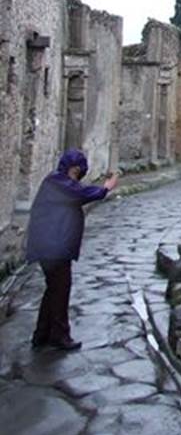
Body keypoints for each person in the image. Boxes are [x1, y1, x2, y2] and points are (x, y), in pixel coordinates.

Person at [26, 148, 118, 351]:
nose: (77, 176)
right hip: (52, 246)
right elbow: (80, 194)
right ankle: (59, 335)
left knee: (53, 289)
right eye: (77, 172)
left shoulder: (56, 182)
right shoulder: (58, 183)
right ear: (72, 168)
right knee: (60, 289)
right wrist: (105, 188)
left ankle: (42, 334)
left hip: (52, 245)